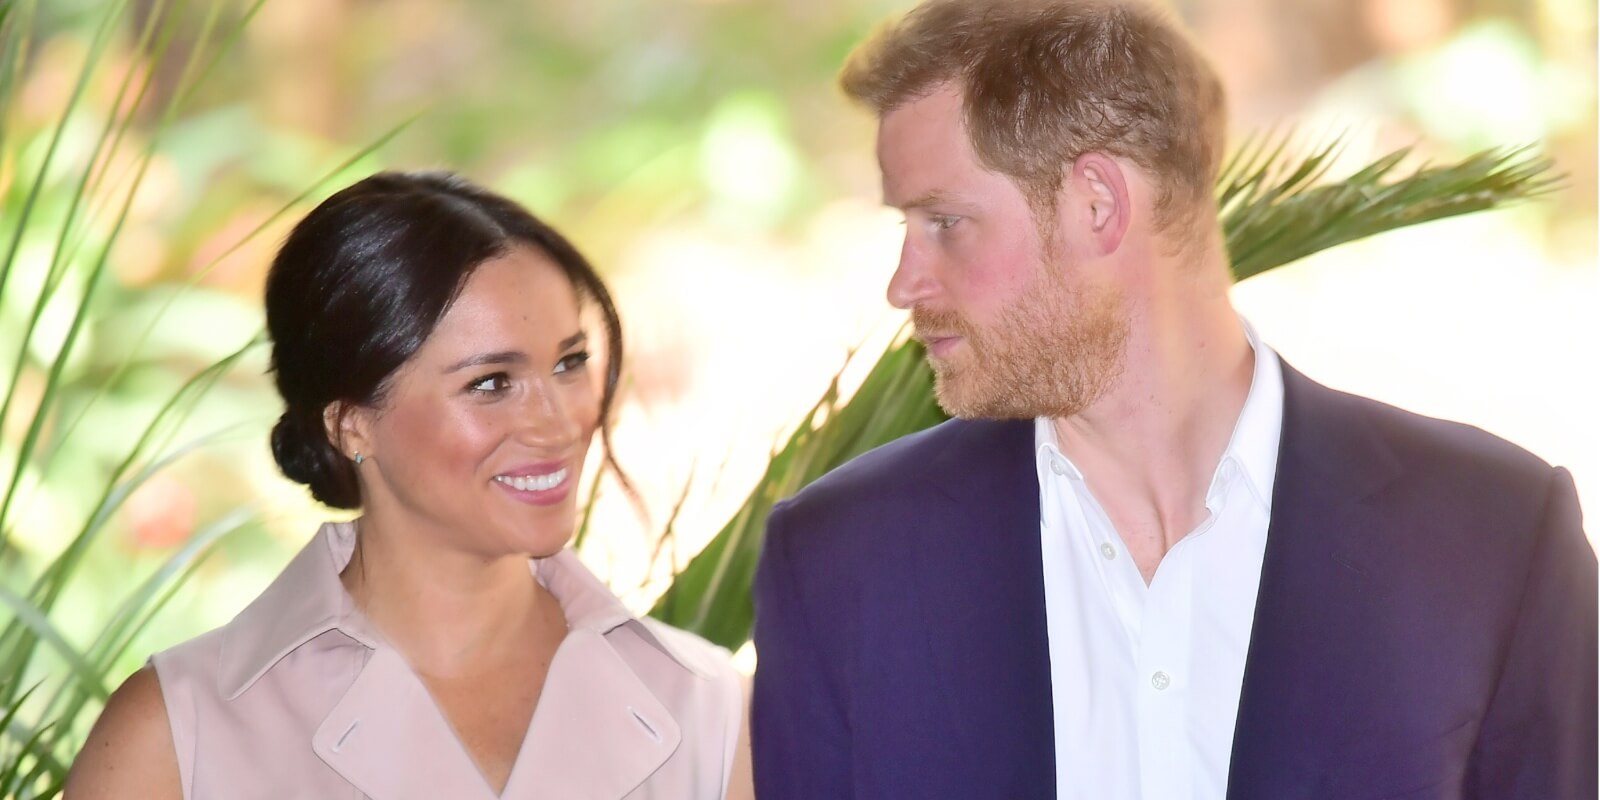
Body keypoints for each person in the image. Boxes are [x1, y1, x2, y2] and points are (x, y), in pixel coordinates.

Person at [749, 1, 1596, 798]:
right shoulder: (837, 568)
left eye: (943, 223)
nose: (904, 284)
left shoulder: (1496, 537)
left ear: (1097, 204)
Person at [68, 171, 752, 799]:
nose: (560, 421)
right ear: (350, 423)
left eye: (569, 363)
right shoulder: (176, 736)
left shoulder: (711, 713)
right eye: (491, 383)